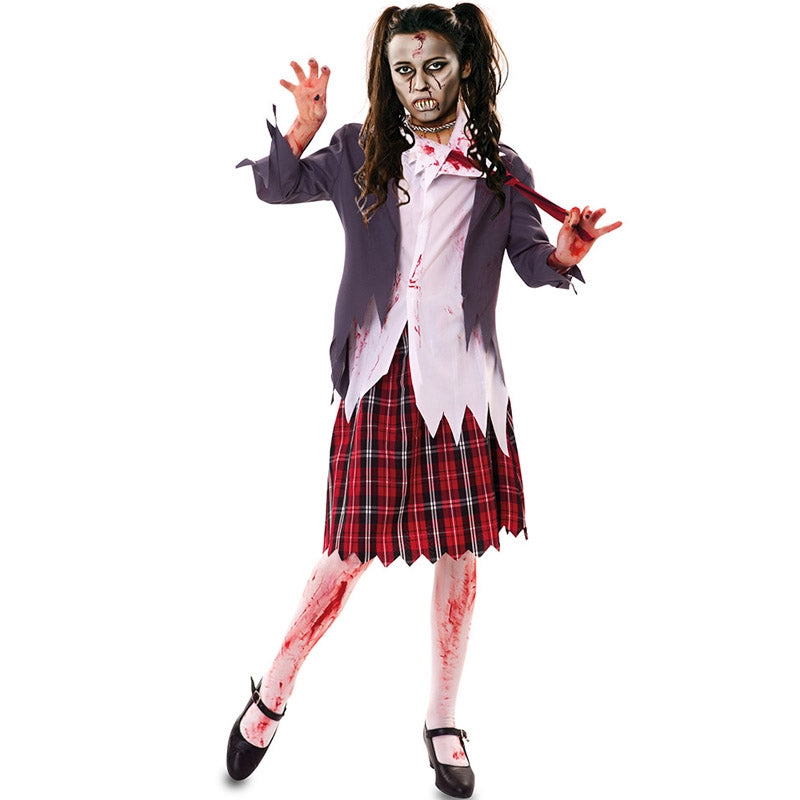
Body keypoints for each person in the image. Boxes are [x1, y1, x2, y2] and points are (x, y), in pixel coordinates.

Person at [227, 4, 621, 797]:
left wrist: (563, 253)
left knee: (460, 550)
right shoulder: (359, 149)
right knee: (346, 551)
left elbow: (530, 261)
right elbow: (277, 187)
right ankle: (273, 690)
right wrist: (302, 128)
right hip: (377, 376)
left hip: (461, 387)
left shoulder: (500, 169)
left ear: (464, 66)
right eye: (404, 69)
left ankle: (444, 719)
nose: (419, 83)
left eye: (434, 65)